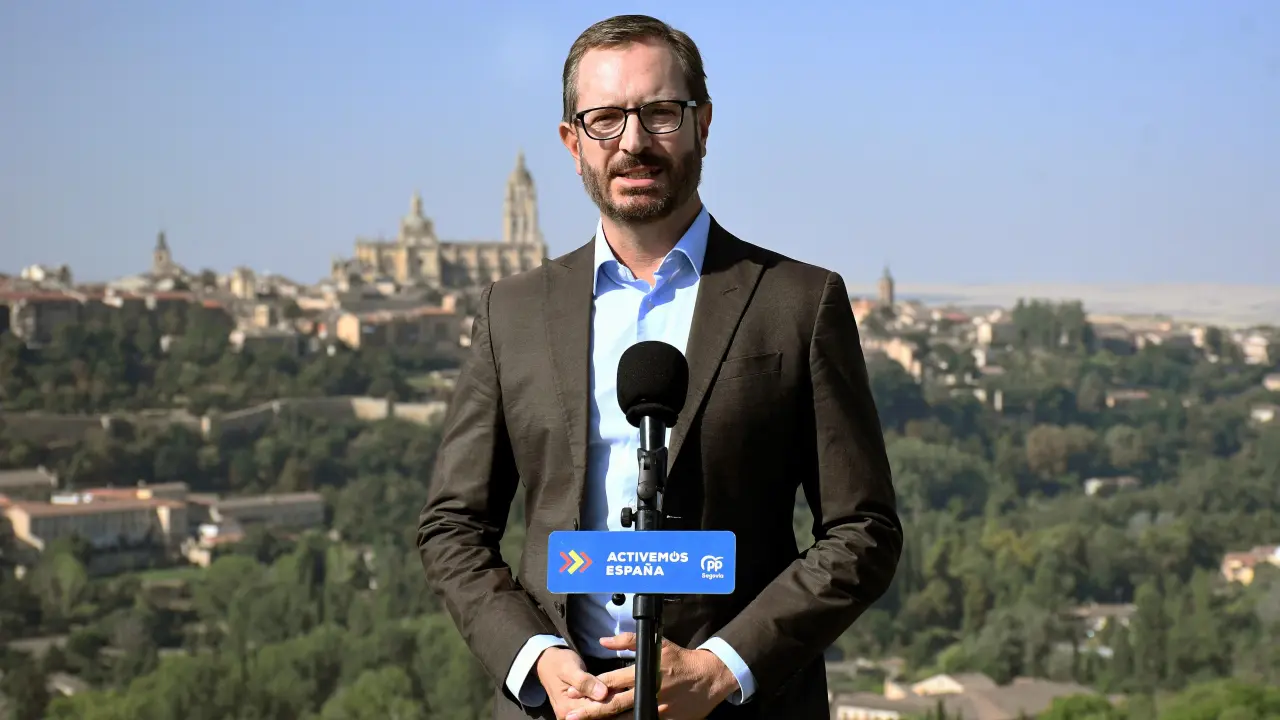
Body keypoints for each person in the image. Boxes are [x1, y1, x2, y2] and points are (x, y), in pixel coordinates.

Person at [418, 14, 902, 720]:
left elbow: (864, 530)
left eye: (660, 113)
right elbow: (453, 528)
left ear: (703, 124)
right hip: (558, 708)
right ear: (573, 143)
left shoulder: (799, 303)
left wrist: (721, 668)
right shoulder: (510, 313)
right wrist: (535, 658)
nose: (633, 142)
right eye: (606, 119)